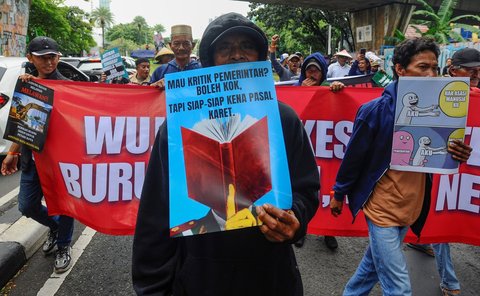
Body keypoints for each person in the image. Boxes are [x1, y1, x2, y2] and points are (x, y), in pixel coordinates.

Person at [132, 12, 320, 296]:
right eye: (225, 48)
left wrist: (295, 220)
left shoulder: (285, 119)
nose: (236, 56)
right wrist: (153, 288)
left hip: (272, 276)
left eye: (246, 46)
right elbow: (155, 215)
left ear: (259, 57)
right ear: (209, 60)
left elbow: (307, 189)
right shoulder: (176, 128)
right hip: (200, 278)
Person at [329, 37, 472, 296]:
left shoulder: (441, 111)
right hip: (382, 210)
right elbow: (353, 158)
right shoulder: (374, 111)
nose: (431, 75)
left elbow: (444, 155)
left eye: (434, 68)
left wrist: (458, 153)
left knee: (369, 270)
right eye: (422, 67)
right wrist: (339, 194)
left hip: (411, 208)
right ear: (400, 69)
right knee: (399, 289)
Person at [408, 47, 480, 296]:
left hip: (466, 168)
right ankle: (449, 281)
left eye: (479, 69)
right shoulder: (432, 89)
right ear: (453, 70)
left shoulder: (477, 95)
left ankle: (421, 239)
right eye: (470, 68)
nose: (476, 73)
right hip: (434, 165)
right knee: (442, 216)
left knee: (443, 215)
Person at [1, 36, 74, 274]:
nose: (48, 62)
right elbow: (23, 124)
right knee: (27, 206)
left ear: (58, 57)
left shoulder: (68, 87)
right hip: (32, 160)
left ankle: (63, 245)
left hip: (61, 161)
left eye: (52, 56)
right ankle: (55, 228)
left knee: (65, 206)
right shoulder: (27, 85)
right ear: (30, 59)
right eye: (42, 57)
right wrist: (12, 153)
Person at [292, 52, 343, 250]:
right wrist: (302, 94)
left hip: (326, 146)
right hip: (304, 147)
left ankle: (329, 230)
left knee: (328, 186)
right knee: (302, 189)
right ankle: (302, 228)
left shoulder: (331, 89)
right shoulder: (297, 90)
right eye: (308, 69)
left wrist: (337, 91)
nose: (312, 73)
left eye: (316, 70)